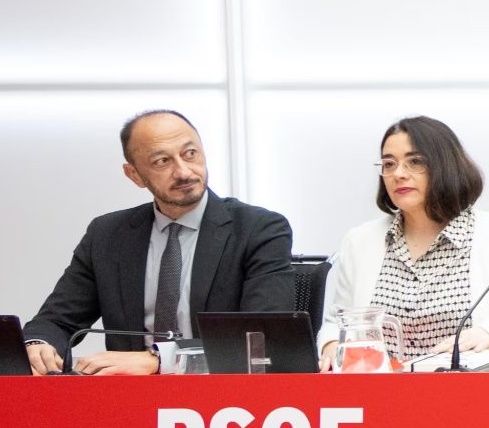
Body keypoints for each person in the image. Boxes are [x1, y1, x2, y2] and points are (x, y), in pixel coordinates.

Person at [22, 109, 296, 376]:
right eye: (162, 162)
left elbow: (261, 337)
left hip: (220, 400)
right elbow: (56, 320)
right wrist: (39, 344)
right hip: (126, 401)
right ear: (135, 175)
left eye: (190, 154)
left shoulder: (258, 229)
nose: (183, 172)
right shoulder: (107, 235)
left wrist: (161, 360)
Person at [319, 115, 489, 365]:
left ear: (445, 166)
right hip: (379, 397)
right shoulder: (360, 242)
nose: (399, 174)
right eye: (389, 164)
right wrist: (331, 345)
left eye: (415, 162)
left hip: (474, 394)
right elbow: (337, 322)